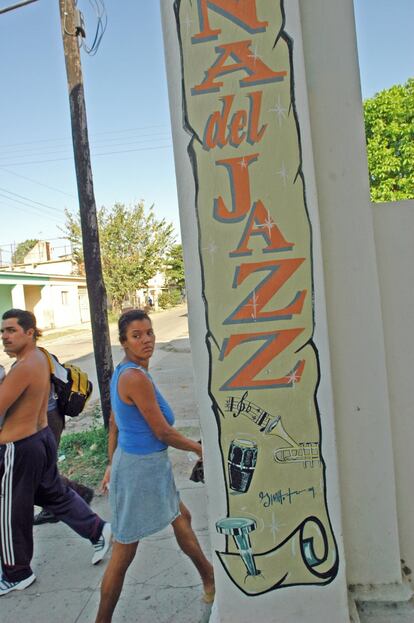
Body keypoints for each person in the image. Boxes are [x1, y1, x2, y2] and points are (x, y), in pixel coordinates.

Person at [95, 309, 214, 623]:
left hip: (143, 466)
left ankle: (210, 580)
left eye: (149, 333)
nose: (146, 340)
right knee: (124, 551)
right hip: (139, 471)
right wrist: (202, 450)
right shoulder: (134, 376)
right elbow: (162, 431)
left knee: (181, 517)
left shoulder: (129, 372)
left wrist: (111, 463)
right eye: (136, 335)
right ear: (124, 342)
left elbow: (114, 422)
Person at [0, 309, 112, 596]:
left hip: (19, 447)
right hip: (41, 438)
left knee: (12, 509)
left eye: (11, 330)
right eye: (2, 331)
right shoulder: (39, 358)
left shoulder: (24, 366)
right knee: (52, 494)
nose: (4, 336)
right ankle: (97, 529)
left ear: (30, 332)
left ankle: (16, 572)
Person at [33, 387, 94, 525]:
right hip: (48, 416)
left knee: (40, 474)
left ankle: (78, 494)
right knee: (42, 472)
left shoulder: (31, 365)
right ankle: (58, 504)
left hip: (45, 418)